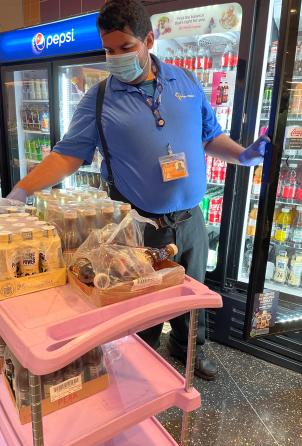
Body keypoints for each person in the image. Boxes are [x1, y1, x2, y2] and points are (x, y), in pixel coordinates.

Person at [7, 0, 269, 380]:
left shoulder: (187, 82)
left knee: (191, 296)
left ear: (149, 39)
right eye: (109, 50)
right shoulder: (97, 100)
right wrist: (20, 191)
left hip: (190, 219)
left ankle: (190, 347)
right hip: (136, 226)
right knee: (138, 304)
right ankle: (139, 362)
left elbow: (210, 136)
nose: (115, 58)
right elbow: (67, 155)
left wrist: (243, 155)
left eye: (125, 48)